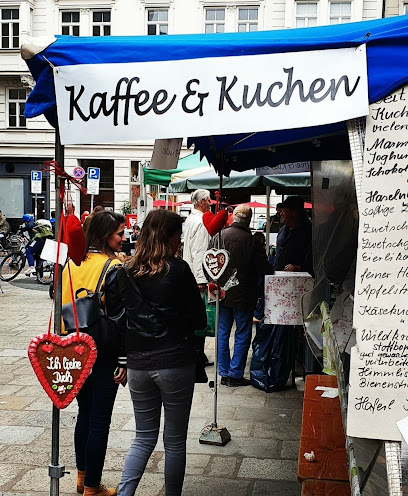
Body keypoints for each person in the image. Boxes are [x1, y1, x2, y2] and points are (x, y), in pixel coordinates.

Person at [107, 209, 206, 496]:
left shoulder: (125, 270)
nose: (180, 243)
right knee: (174, 441)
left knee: (143, 438)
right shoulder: (178, 270)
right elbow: (199, 320)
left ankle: (124, 494)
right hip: (174, 360)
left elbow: (120, 320)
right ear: (169, 236)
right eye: (178, 236)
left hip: (138, 363)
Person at [61, 210, 127, 496]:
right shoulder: (113, 268)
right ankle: (92, 488)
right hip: (102, 350)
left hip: (72, 347)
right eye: (119, 234)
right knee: (99, 418)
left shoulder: (70, 264)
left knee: (85, 413)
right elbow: (121, 317)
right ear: (105, 236)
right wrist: (124, 359)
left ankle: (82, 477)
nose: (124, 239)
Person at [217, 205, 274, 387]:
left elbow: (208, 263)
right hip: (244, 295)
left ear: (233, 218)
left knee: (223, 332)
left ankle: (224, 372)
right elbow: (265, 269)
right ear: (249, 220)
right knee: (242, 333)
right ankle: (234, 374)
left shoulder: (219, 238)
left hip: (222, 293)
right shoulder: (251, 242)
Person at [182, 189, 213, 366]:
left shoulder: (190, 220)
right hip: (196, 276)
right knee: (200, 316)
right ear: (201, 202)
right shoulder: (201, 221)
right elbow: (199, 251)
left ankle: (195, 353)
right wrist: (201, 279)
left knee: (193, 314)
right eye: (208, 200)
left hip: (190, 272)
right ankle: (197, 355)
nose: (210, 203)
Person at [274, 196, 312, 274]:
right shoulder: (283, 229)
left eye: (284, 211)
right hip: (279, 278)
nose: (281, 213)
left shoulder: (309, 231)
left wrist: (299, 267)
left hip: (299, 281)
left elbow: (315, 259)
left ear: (294, 212)